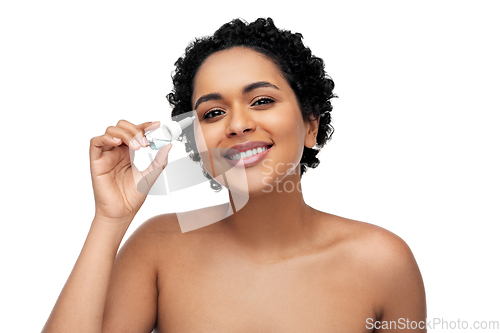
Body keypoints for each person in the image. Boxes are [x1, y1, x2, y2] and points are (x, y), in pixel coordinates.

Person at [42, 18, 426, 332]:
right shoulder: (157, 250)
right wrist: (110, 219)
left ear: (311, 124)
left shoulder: (383, 263)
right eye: (212, 113)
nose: (238, 125)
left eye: (262, 101)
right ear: (196, 143)